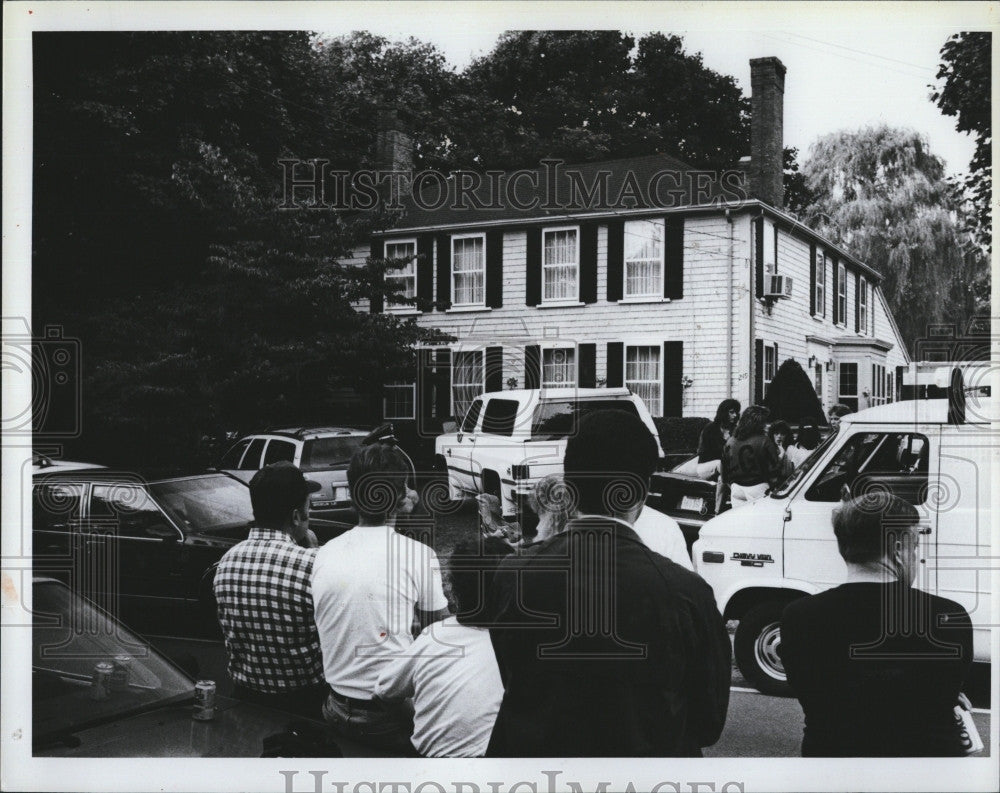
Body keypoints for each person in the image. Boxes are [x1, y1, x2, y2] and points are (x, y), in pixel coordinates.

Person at [487, 410, 731, 757]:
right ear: (642, 491)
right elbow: (708, 721)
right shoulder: (686, 592)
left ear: (569, 487)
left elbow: (514, 681)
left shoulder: (513, 575)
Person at [780, 495, 974, 757]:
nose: (915, 557)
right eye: (914, 546)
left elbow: (814, 690)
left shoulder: (798, 617)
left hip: (831, 767)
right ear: (897, 549)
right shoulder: (948, 616)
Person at [312, 443, 450, 752]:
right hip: (390, 715)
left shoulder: (325, 553)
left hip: (335, 707)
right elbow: (438, 636)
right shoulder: (418, 555)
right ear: (400, 496)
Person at [213, 461, 328, 719]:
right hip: (303, 703)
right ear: (296, 516)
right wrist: (309, 549)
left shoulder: (226, 561)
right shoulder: (312, 564)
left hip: (244, 698)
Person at [374, 538, 509, 757]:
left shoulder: (434, 636)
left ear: (453, 589)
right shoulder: (519, 643)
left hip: (430, 766)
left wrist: (425, 725)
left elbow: (383, 693)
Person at [722, 405, 782, 508]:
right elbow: (775, 472)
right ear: (759, 423)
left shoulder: (730, 441)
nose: (766, 425)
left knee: (741, 522)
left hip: (736, 488)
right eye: (764, 422)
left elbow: (724, 471)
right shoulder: (764, 440)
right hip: (758, 488)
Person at [697, 399, 741, 480]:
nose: (735, 415)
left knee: (722, 477)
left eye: (736, 412)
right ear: (723, 412)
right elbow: (703, 452)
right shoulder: (710, 429)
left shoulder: (736, 430)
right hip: (706, 465)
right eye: (731, 412)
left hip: (725, 468)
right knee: (720, 464)